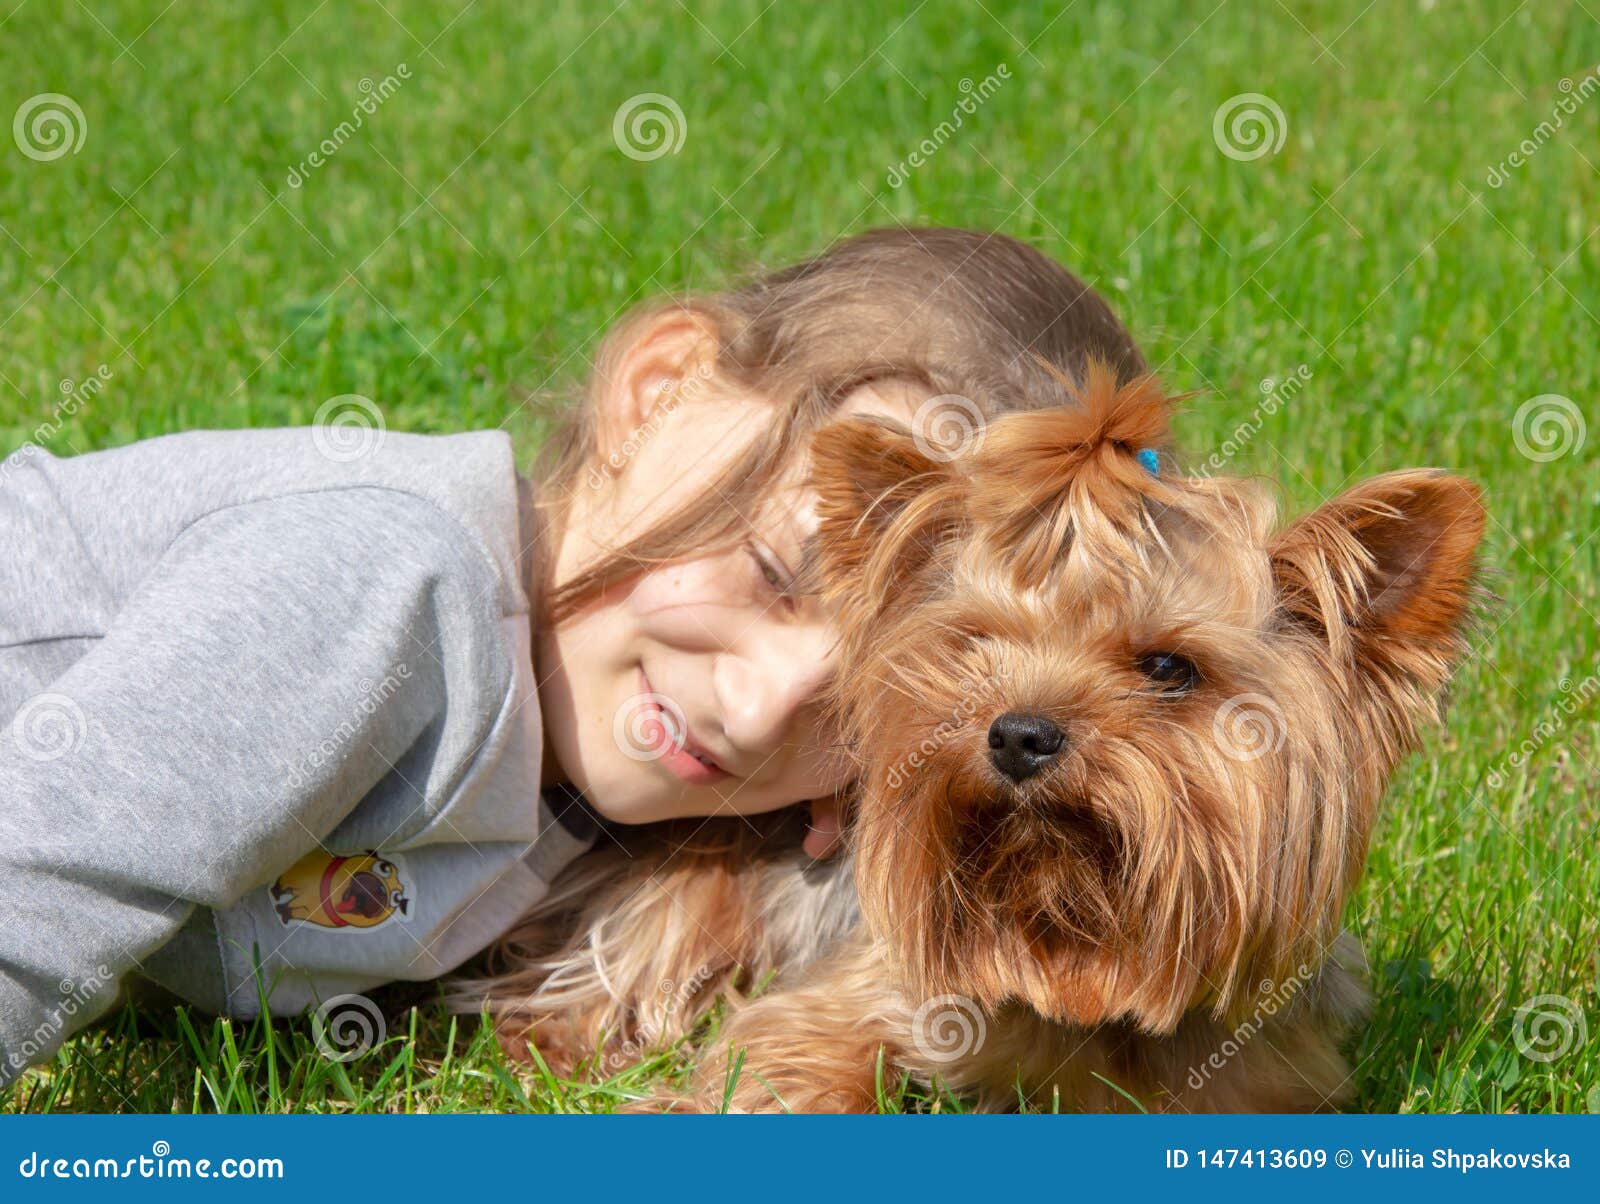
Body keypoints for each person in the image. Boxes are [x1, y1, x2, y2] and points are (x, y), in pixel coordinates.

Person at [0, 227, 1145, 1084]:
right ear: (656, 392)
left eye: (856, 702)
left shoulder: (578, 791)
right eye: (773, 572)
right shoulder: (384, 586)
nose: (754, 710)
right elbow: (26, 895)